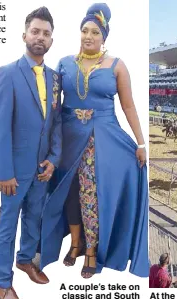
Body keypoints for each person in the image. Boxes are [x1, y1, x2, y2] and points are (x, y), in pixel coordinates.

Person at [39, 3, 148, 279]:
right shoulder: (63, 63)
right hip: (67, 138)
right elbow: (52, 106)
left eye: (95, 32)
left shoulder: (117, 66)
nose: (88, 36)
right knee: (68, 192)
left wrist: (141, 142)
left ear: (104, 37)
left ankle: (92, 252)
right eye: (84, 30)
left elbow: (129, 106)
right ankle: (75, 243)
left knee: (90, 194)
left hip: (101, 139)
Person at [0, 7, 62, 299]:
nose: (40, 37)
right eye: (35, 31)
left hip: (42, 168)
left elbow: (56, 122)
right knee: (8, 225)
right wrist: (4, 172)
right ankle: (2, 281)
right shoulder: (8, 74)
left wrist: (55, 158)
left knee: (34, 218)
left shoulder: (55, 79)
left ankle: (25, 260)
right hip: (15, 171)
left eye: (46, 33)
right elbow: (0, 127)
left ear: (51, 40)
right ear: (24, 35)